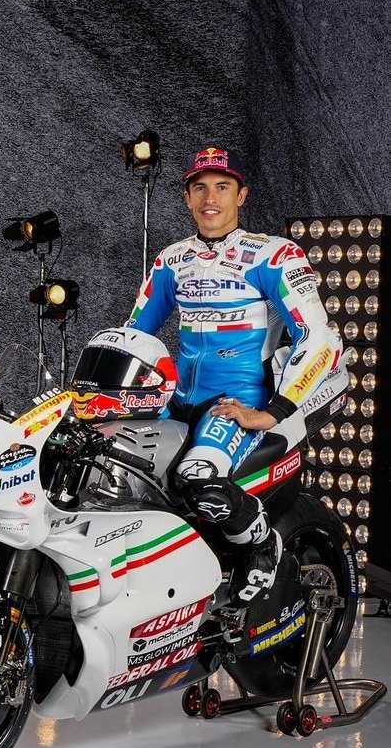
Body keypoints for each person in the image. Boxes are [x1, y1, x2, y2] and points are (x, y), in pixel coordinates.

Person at [125, 144, 344, 606]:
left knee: (198, 477)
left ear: (241, 195)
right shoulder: (171, 260)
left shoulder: (274, 255)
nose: (211, 198)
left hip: (235, 401)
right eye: (200, 187)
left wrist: (273, 412)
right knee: (119, 471)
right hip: (177, 401)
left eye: (222, 187)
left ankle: (263, 545)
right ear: (187, 197)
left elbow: (320, 339)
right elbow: (132, 335)